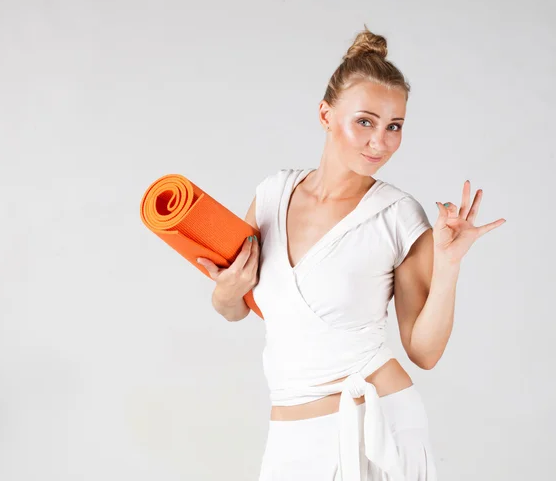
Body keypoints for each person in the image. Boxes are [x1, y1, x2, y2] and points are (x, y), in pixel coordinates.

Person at [196, 25, 505, 480]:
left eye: (394, 126)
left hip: (377, 427)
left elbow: (424, 351)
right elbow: (237, 308)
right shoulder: (271, 195)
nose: (380, 141)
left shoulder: (398, 216)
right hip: (290, 439)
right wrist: (226, 291)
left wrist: (449, 266)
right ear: (325, 115)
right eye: (365, 121)